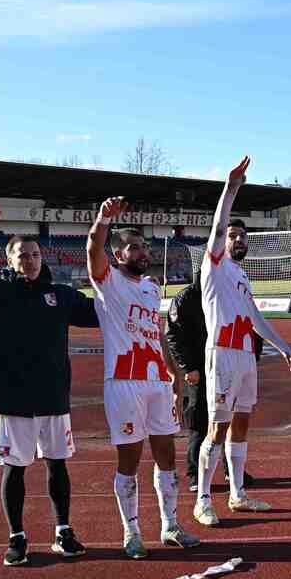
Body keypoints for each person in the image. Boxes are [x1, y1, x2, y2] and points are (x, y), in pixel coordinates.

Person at [0, 202, 100, 566]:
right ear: (11, 259)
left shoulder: (61, 295)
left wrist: (130, 290)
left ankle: (63, 531)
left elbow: (101, 313)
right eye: (23, 254)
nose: (31, 260)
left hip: (52, 397)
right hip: (14, 398)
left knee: (57, 465)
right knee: (15, 468)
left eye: (35, 254)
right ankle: (17, 536)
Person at [87, 198, 200, 558]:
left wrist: (174, 373)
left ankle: (170, 525)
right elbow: (93, 247)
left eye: (143, 246)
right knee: (130, 460)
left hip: (156, 383)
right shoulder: (107, 281)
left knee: (167, 455)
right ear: (118, 255)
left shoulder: (152, 287)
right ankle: (131, 532)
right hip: (124, 382)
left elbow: (157, 333)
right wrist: (104, 218)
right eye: (132, 247)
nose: (141, 252)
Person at [193, 158, 291, 526]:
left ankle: (238, 494)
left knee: (241, 424)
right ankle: (204, 499)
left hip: (245, 357)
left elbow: (255, 319)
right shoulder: (214, 265)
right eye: (233, 236)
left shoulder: (242, 275)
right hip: (220, 354)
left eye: (243, 237)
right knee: (216, 428)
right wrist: (231, 188)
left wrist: (282, 345)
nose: (238, 240)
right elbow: (219, 226)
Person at [163, 276, 262, 492]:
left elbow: (253, 327)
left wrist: (254, 358)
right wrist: (188, 367)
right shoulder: (184, 299)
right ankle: (195, 474)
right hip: (200, 368)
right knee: (201, 422)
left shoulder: (232, 295)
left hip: (228, 366)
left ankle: (232, 471)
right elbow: (173, 335)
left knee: (231, 419)